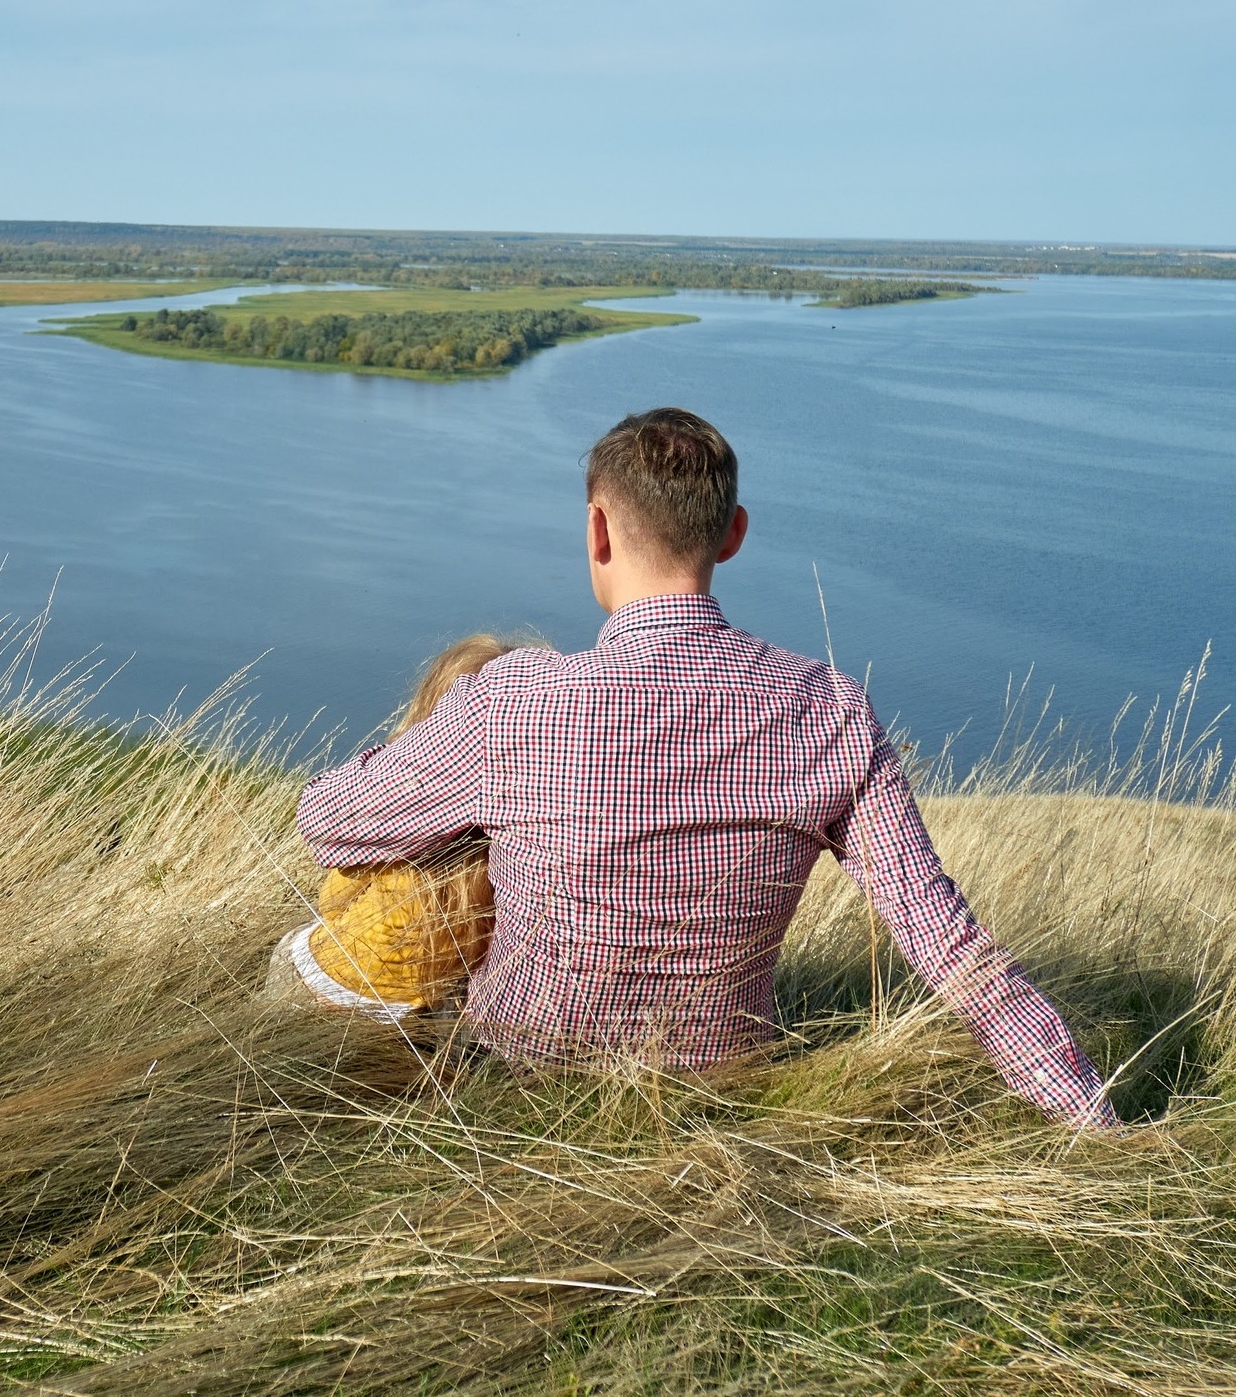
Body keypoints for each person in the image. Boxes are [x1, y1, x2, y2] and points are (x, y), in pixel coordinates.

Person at [297, 407, 1116, 1128]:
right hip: (722, 1093)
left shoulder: (513, 700)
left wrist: (438, 745)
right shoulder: (825, 708)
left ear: (598, 531)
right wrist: (1090, 1117)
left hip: (517, 1087)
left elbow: (329, 823)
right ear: (732, 533)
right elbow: (947, 943)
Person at [264, 635, 512, 1021]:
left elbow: (333, 901)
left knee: (289, 947)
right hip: (435, 1003)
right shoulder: (520, 828)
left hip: (339, 979)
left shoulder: (393, 812)